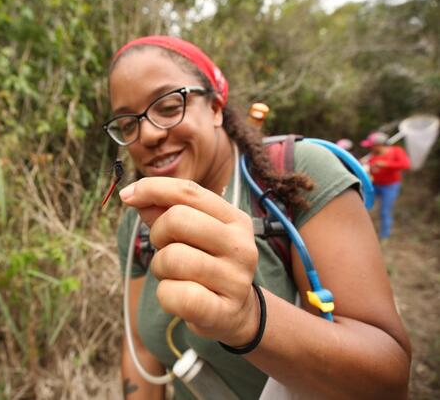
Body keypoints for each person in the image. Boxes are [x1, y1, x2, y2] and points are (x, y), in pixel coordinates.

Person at [105, 36, 411, 399]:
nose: (148, 134)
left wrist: (249, 317)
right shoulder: (137, 225)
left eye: (171, 106)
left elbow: (389, 379)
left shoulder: (299, 175)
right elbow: (140, 350)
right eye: (127, 125)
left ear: (217, 106)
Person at [360, 132, 411, 240]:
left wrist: (386, 164)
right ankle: (361, 231)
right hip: (375, 185)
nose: (370, 147)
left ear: (379, 144)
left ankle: (385, 236)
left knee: (385, 211)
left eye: (371, 145)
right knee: (362, 206)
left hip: (390, 186)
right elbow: (369, 170)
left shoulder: (396, 151)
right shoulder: (372, 155)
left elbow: (405, 164)